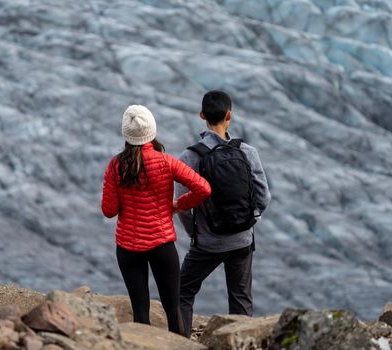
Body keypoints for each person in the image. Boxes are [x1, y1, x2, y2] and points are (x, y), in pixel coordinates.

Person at [101, 105, 211, 336]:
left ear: (126, 134)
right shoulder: (166, 162)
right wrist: (177, 205)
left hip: (128, 248)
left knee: (140, 314)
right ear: (151, 130)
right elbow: (203, 188)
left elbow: (109, 211)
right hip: (162, 245)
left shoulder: (115, 166)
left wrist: (127, 198)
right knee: (173, 310)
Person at [175, 90, 271, 337]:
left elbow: (183, 205)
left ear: (202, 116)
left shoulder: (191, 156)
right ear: (229, 116)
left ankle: (181, 343)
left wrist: (195, 233)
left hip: (208, 242)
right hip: (242, 240)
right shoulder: (247, 152)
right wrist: (249, 222)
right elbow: (264, 198)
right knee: (240, 299)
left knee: (181, 292)